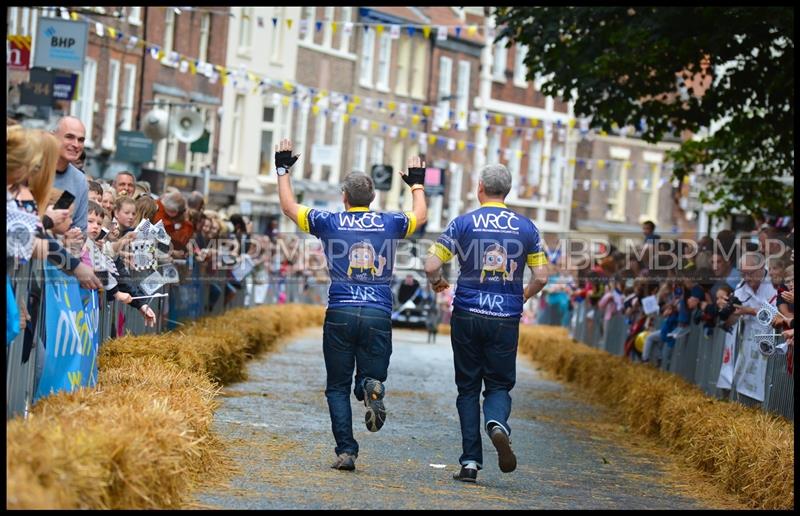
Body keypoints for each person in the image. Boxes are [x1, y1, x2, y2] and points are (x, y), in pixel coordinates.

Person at [275, 137, 427, 472]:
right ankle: (370, 385)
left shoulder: (329, 222)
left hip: (341, 309)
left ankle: (346, 451)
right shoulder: (390, 223)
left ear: (344, 198)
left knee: (336, 387)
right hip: (377, 310)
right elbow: (420, 215)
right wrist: (416, 184)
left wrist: (283, 168)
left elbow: (288, 207)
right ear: (372, 198)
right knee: (369, 374)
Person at [424, 163, 549, 483]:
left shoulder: (463, 223)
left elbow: (430, 265)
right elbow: (543, 277)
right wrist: (522, 295)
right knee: (498, 385)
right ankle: (496, 423)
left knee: (467, 388)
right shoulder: (527, 228)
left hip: (466, 312)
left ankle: (470, 463)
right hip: (505, 317)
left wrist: (439, 283)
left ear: (480, 187)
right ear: (508, 191)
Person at [52, 116, 89, 234]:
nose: (76, 144)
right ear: (53, 136)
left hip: (60, 251)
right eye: (69, 137)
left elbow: (80, 229)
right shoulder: (33, 170)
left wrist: (73, 239)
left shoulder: (80, 180)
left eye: (81, 140)